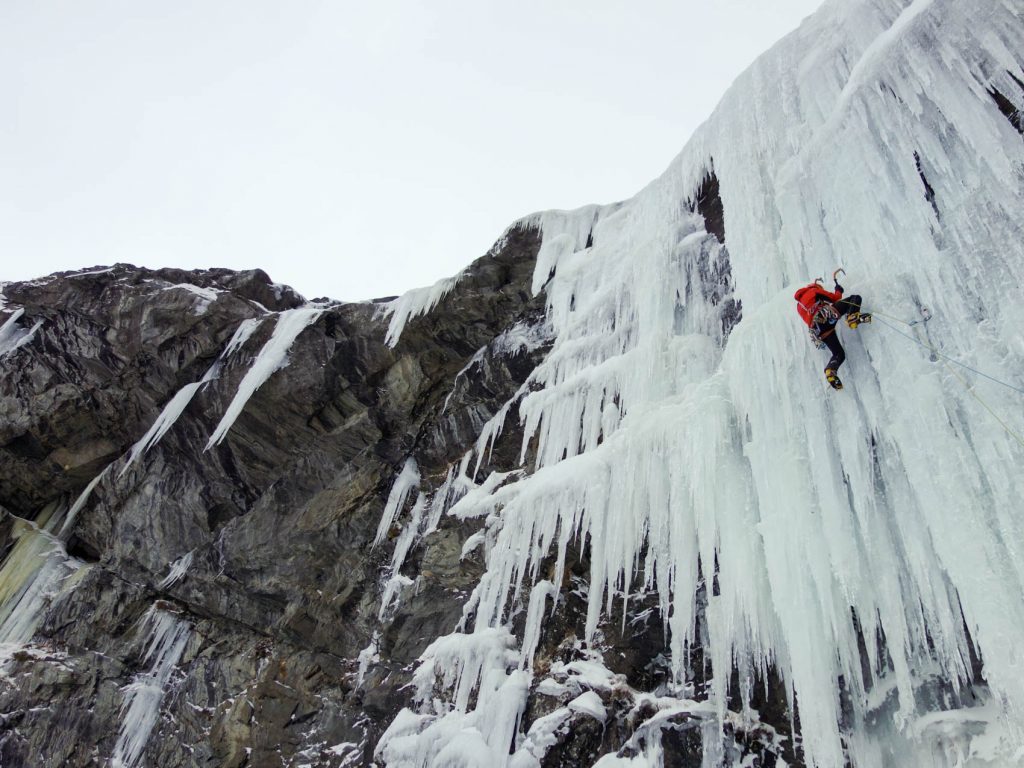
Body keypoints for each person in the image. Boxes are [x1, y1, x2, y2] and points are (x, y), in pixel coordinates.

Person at [794, 274, 871, 390]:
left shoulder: (799, 307)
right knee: (854, 299)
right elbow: (835, 298)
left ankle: (831, 370)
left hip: (817, 331)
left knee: (839, 354)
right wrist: (838, 290)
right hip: (824, 316)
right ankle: (852, 317)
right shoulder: (813, 291)